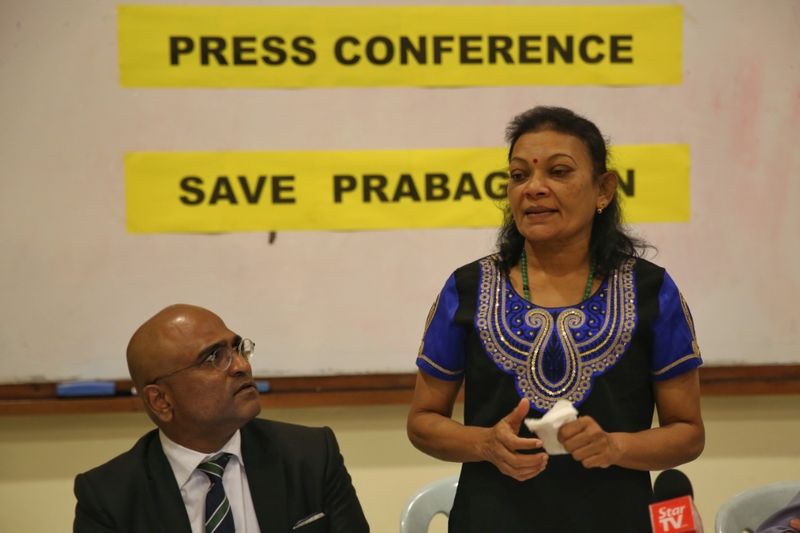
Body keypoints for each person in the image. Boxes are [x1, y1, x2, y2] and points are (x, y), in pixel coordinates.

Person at [407, 106, 705, 532]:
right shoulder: (468, 288)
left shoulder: (650, 291)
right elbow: (422, 422)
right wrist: (485, 443)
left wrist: (615, 446)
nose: (534, 188)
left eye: (559, 172)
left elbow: (688, 432)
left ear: (603, 190)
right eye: (518, 176)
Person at [74, 304, 369, 533]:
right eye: (214, 357)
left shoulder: (311, 455)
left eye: (237, 349)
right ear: (160, 400)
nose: (241, 365)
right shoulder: (109, 497)